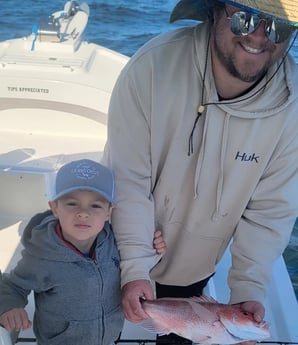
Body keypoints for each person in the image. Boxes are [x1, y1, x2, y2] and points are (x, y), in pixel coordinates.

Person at [102, 0, 298, 343]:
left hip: (193, 270)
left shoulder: (292, 106)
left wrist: (248, 289)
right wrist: (133, 266)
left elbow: (271, 211)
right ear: (214, 11)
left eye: (278, 26)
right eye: (244, 17)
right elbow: (128, 180)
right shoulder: (151, 68)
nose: (258, 35)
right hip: (120, 252)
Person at [0, 159, 166, 345]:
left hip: (108, 337)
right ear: (54, 207)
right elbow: (12, 286)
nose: (83, 213)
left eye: (95, 206)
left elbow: (135, 265)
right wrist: (10, 307)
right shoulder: (40, 256)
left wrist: (153, 250)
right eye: (72, 204)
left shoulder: (116, 241)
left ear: (109, 212)